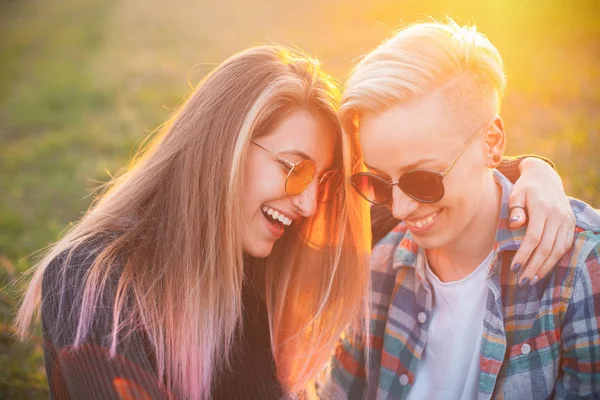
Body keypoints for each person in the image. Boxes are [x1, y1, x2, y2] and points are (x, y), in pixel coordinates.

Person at [16, 45, 573, 399]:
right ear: (223, 148)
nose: (308, 206)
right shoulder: (91, 279)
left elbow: (430, 188)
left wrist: (532, 174)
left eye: (324, 183)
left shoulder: (268, 253)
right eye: (293, 168)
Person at [324, 19, 600, 399]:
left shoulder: (578, 272)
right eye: (377, 181)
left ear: (492, 143)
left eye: (423, 180)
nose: (401, 208)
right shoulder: (381, 260)